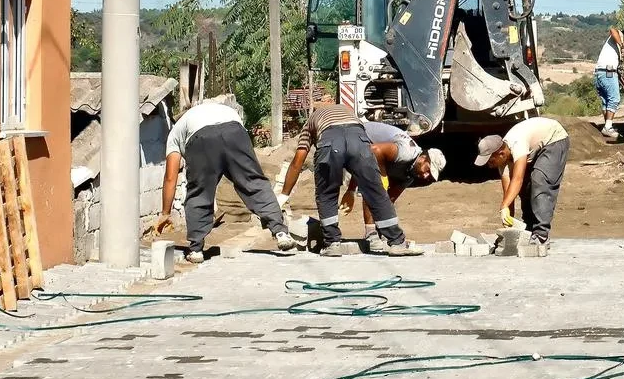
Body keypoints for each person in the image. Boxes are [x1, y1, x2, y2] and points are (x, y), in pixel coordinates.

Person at [155, 101, 298, 264]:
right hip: (235, 131)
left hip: (201, 139)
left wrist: (165, 213)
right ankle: (280, 232)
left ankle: (196, 249)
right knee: (254, 183)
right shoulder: (218, 109)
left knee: (199, 191)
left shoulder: (175, 132)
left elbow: (170, 177)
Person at [277, 102, 423, 257]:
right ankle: (397, 242)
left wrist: (284, 195)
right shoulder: (350, 114)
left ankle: (332, 243)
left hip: (329, 141)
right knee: (375, 191)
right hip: (358, 139)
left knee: (326, 192)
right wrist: (352, 189)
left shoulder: (312, 120)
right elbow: (355, 152)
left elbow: (297, 162)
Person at [339, 122, 447, 252]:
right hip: (352, 136)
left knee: (380, 193)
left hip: (365, 151)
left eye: (429, 175)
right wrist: (381, 176)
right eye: (427, 170)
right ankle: (370, 233)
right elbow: (373, 151)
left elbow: (388, 200)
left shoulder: (410, 175)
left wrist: (386, 229)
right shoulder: (406, 152)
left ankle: (379, 231)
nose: (425, 176)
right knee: (376, 187)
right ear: (423, 158)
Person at [474, 117, 570, 248]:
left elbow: (517, 179)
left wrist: (503, 207)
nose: (489, 165)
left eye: (490, 161)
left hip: (554, 140)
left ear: (501, 154)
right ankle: (530, 228)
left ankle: (541, 234)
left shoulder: (517, 144)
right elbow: (509, 194)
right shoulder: (502, 161)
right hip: (537, 145)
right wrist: (508, 224)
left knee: (539, 180)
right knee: (526, 186)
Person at [594, 27, 624, 138]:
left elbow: (616, 71)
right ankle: (608, 128)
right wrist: (622, 45)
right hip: (606, 72)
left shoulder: (614, 51)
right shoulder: (618, 36)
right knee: (615, 99)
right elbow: (611, 29)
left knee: (606, 101)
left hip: (601, 73)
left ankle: (607, 125)